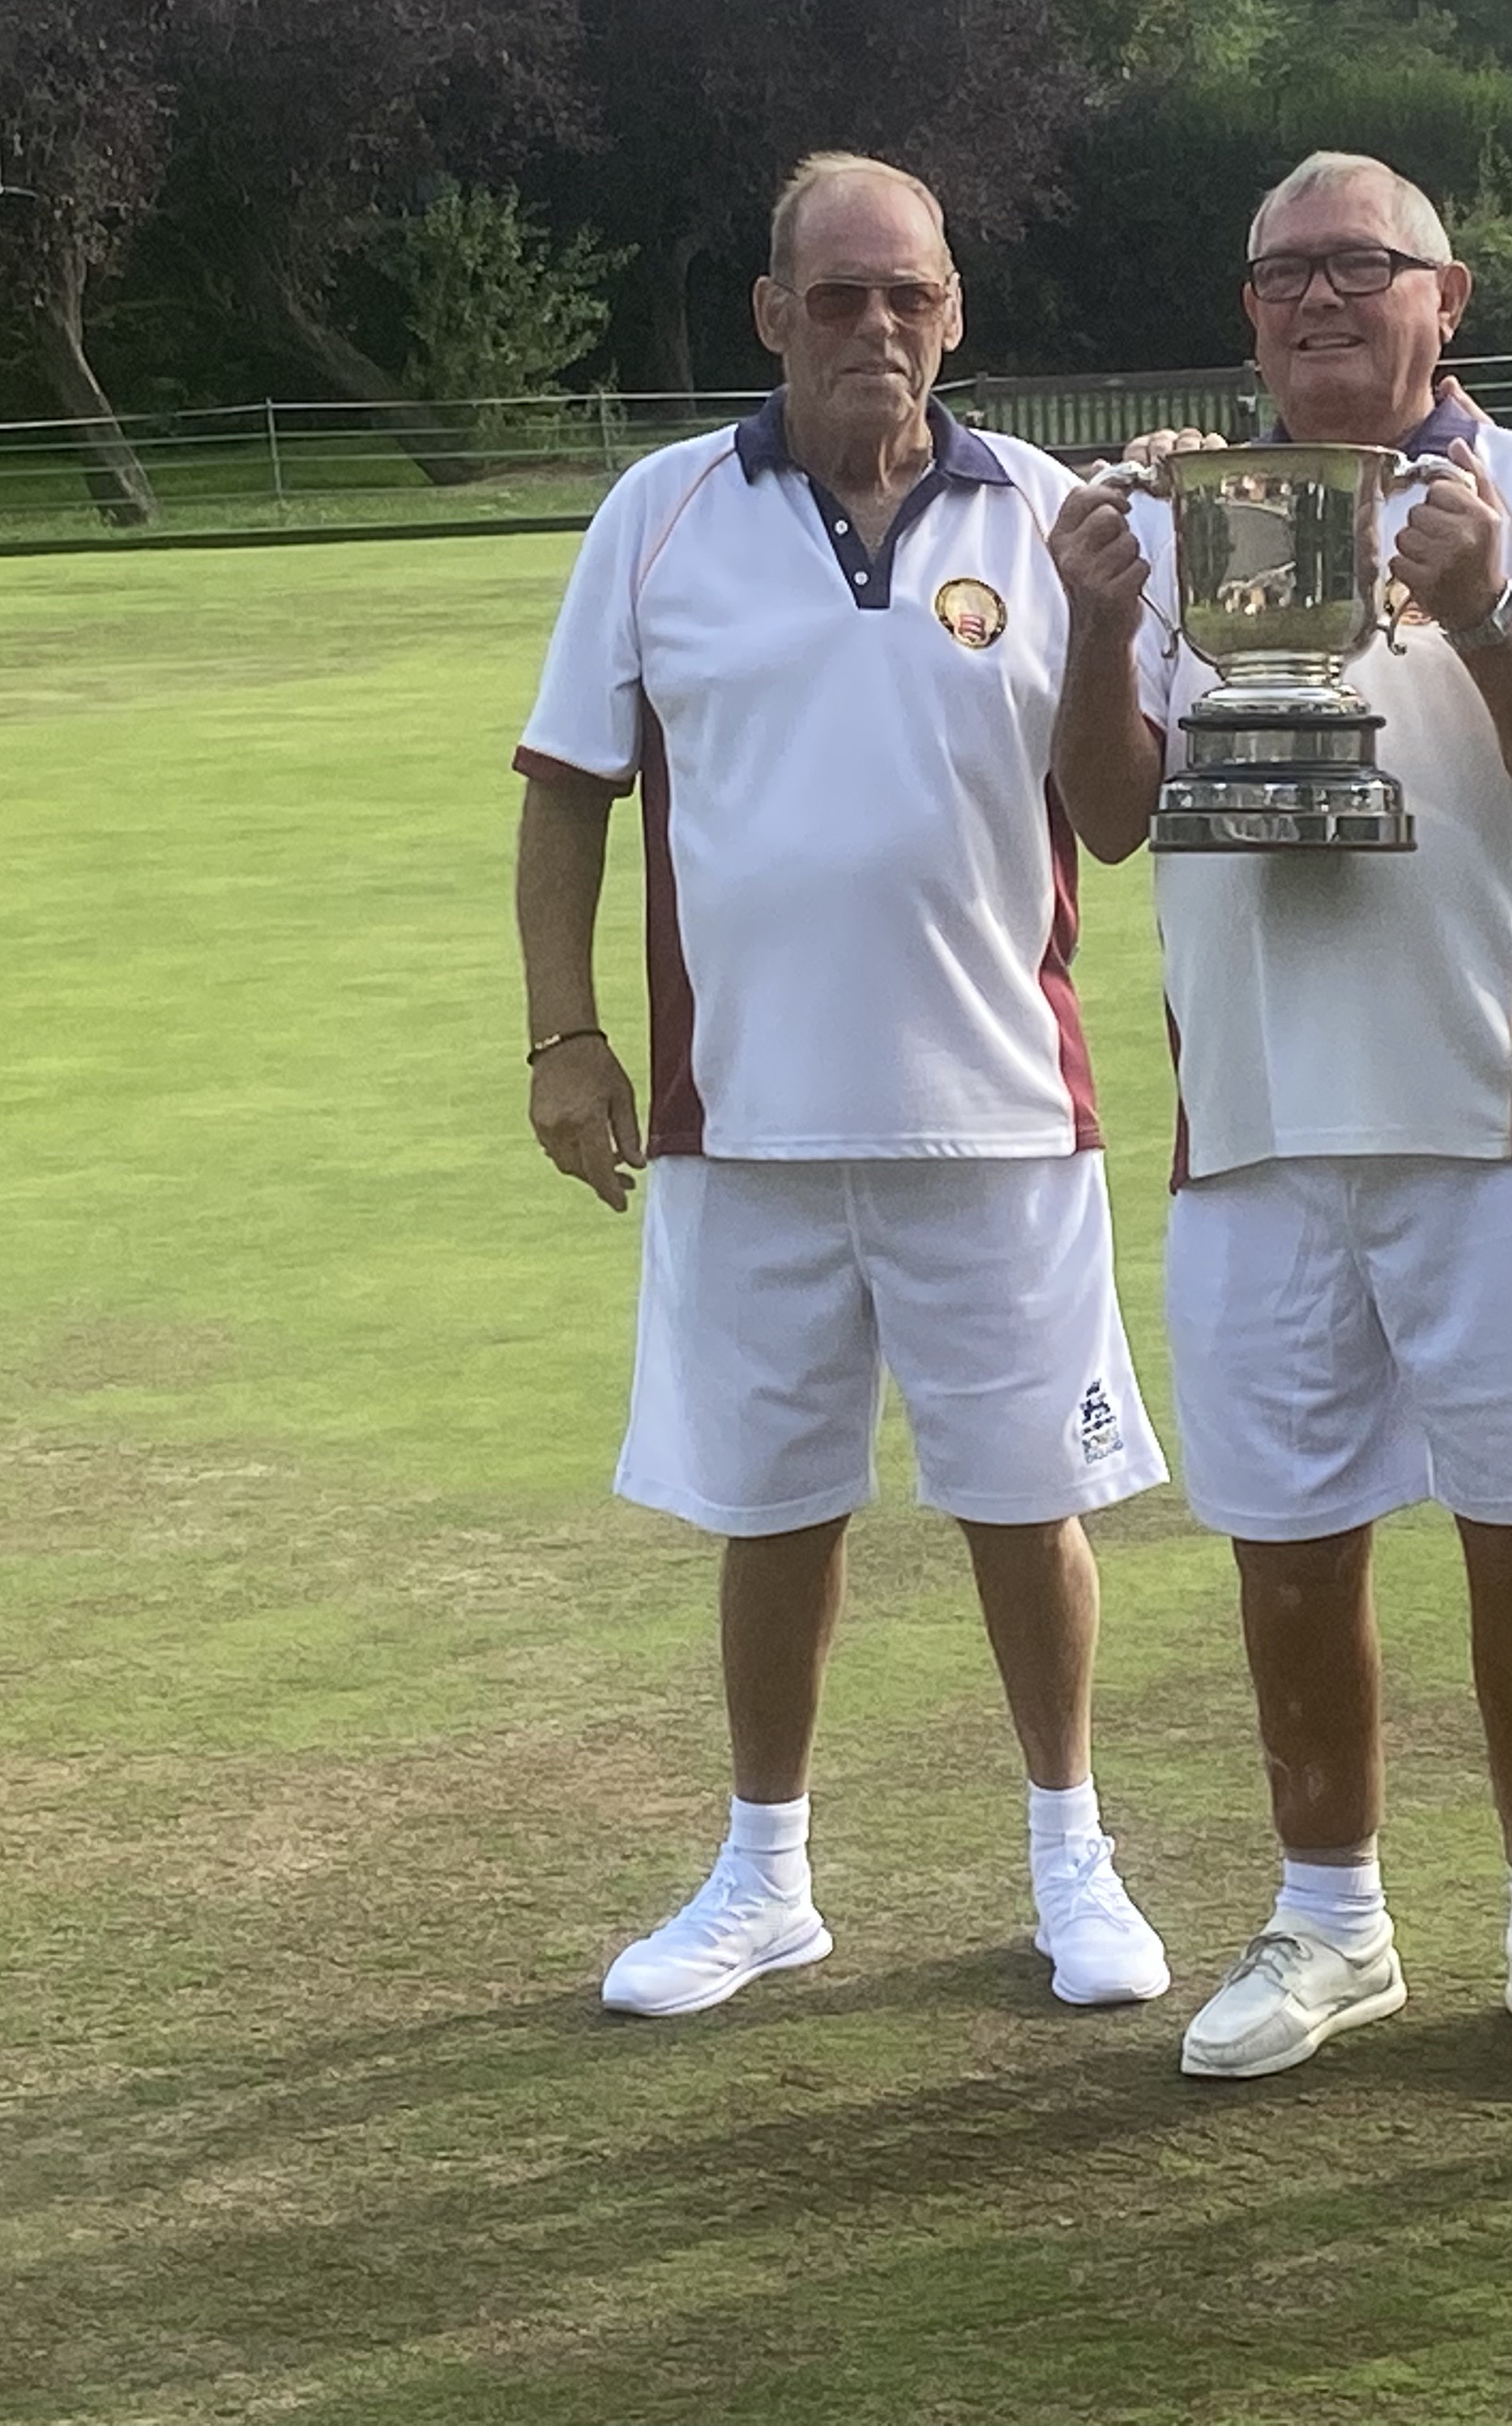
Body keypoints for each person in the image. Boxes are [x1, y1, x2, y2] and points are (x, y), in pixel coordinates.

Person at [515, 152, 1173, 2020]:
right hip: (745, 1114)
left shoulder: (1054, 516)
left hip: (1002, 1106)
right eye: (836, 296)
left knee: (1024, 1498)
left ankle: (1072, 1858)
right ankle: (764, 1877)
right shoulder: (659, 514)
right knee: (773, 1507)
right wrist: (566, 1039)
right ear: (771, 312)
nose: (874, 328)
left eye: (909, 296)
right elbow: (569, 789)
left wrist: (1113, 617)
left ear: (956, 313)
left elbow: (1115, 827)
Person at [1047, 152, 1512, 2085]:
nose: (1323, 299)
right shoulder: (1194, 510)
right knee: (1291, 1543)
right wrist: (1092, 621)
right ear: (1249, 313)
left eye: (1362, 266)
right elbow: (1112, 811)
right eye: (1287, 274)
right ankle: (1331, 1922)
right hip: (1247, 1120)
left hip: (1497, 1111)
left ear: (1445, 295)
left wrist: (1487, 611)